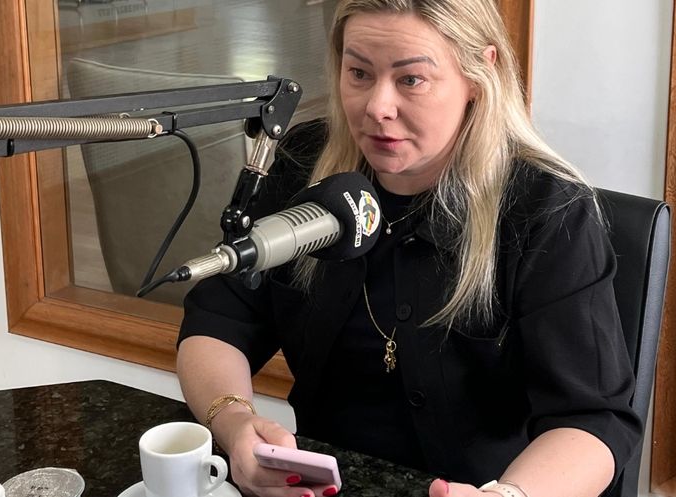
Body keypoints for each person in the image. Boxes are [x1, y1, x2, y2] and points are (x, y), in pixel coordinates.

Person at [176, 1, 640, 496]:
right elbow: (217, 321)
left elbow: (592, 419)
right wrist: (234, 425)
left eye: (411, 79)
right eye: (359, 73)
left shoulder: (548, 211)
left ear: (478, 75)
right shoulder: (302, 167)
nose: (377, 107)